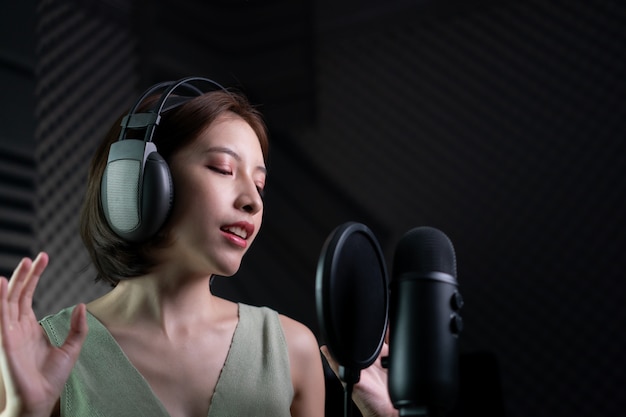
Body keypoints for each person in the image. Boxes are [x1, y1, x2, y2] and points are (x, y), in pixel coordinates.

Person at [0, 78, 398, 417]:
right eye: (223, 169)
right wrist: (23, 412)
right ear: (141, 183)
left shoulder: (292, 350)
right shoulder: (43, 354)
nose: (253, 201)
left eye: (259, 185)